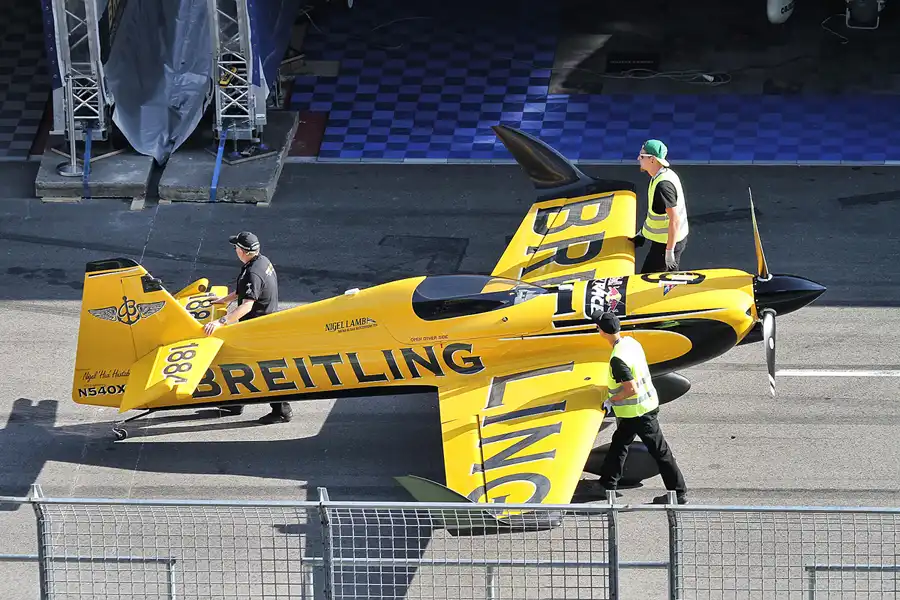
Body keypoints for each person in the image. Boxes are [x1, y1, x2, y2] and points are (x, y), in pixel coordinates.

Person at [589, 310, 688, 504]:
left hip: (639, 413)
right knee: (619, 446)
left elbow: (631, 389)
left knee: (660, 452)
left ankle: (678, 492)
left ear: (601, 331)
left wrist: (611, 401)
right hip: (642, 407)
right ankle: (606, 485)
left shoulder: (618, 358)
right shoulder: (631, 343)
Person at [203, 231, 293, 425]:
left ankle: (282, 411)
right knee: (238, 363)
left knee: (265, 370)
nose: (234, 249)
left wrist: (220, 322)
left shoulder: (252, 272)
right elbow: (246, 290)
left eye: (236, 247)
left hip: (258, 328)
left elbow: (247, 305)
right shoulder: (262, 262)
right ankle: (236, 403)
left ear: (243, 251)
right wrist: (223, 300)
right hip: (264, 323)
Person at [631, 139, 689, 273]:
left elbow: (674, 220)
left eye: (642, 156)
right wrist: (643, 233)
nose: (638, 158)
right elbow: (657, 216)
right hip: (665, 240)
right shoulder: (662, 175)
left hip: (669, 243)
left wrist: (669, 252)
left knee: (654, 281)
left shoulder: (663, 186)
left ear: (652, 159)